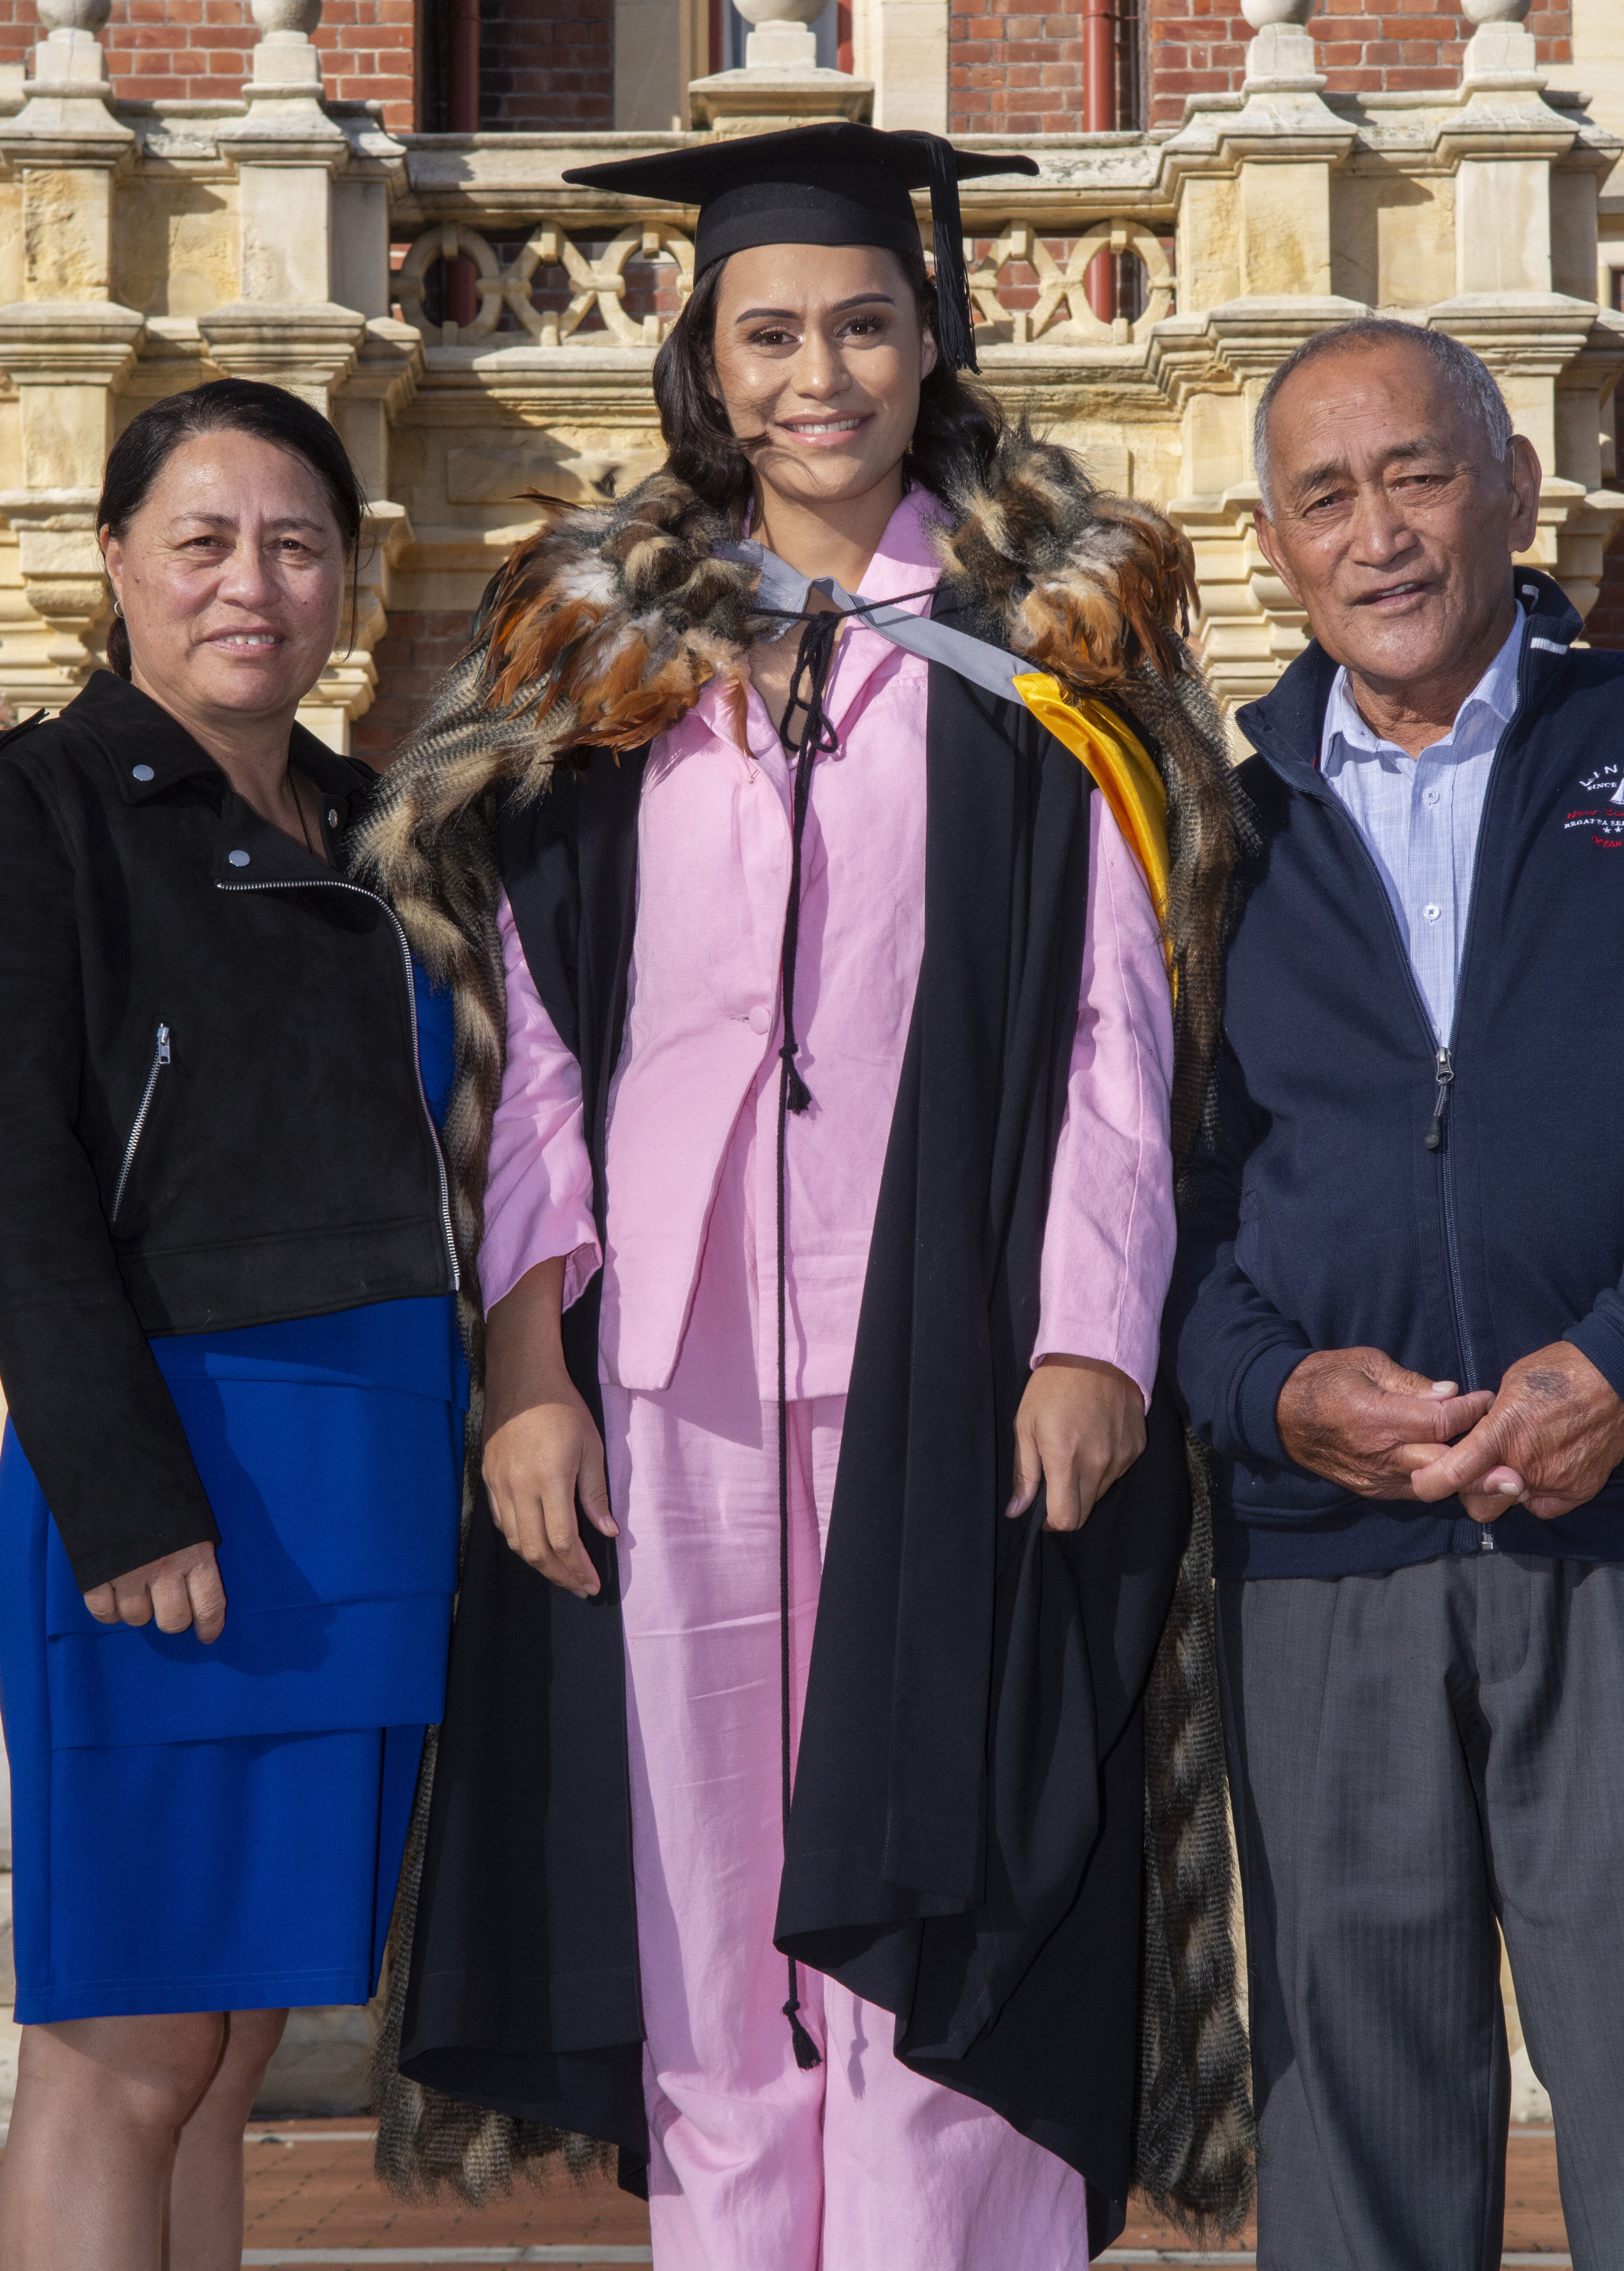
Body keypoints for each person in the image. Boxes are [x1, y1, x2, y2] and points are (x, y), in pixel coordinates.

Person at [355, 124, 1251, 2268]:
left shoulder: (1051, 640)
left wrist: (1088, 1334)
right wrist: (526, 1365)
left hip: (951, 1350)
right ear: (706, 360)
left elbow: (1119, 1027)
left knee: (940, 1867)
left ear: (930, 343)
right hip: (666, 1362)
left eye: (860, 326)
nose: (815, 376)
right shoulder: (598, 646)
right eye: (768, 335)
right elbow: (529, 1037)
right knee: (704, 1905)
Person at [0, 380, 465, 2271]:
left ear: (348, 580)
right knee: (127, 2043)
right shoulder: (34, 807)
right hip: (177, 1474)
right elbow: (13, 1177)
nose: (255, 585)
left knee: (231, 2046)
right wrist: (127, 1496)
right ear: (114, 564)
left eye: (298, 546)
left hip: (369, 1470)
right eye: (205, 542)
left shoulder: (385, 831)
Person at [1172, 316, 1624, 2271]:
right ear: (1272, 548)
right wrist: (1277, 1398)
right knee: (1356, 2156)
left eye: (1417, 475)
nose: (1376, 534)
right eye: (1324, 498)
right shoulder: (1215, 835)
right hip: (1327, 1561)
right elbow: (1158, 1215)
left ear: (1516, 491)